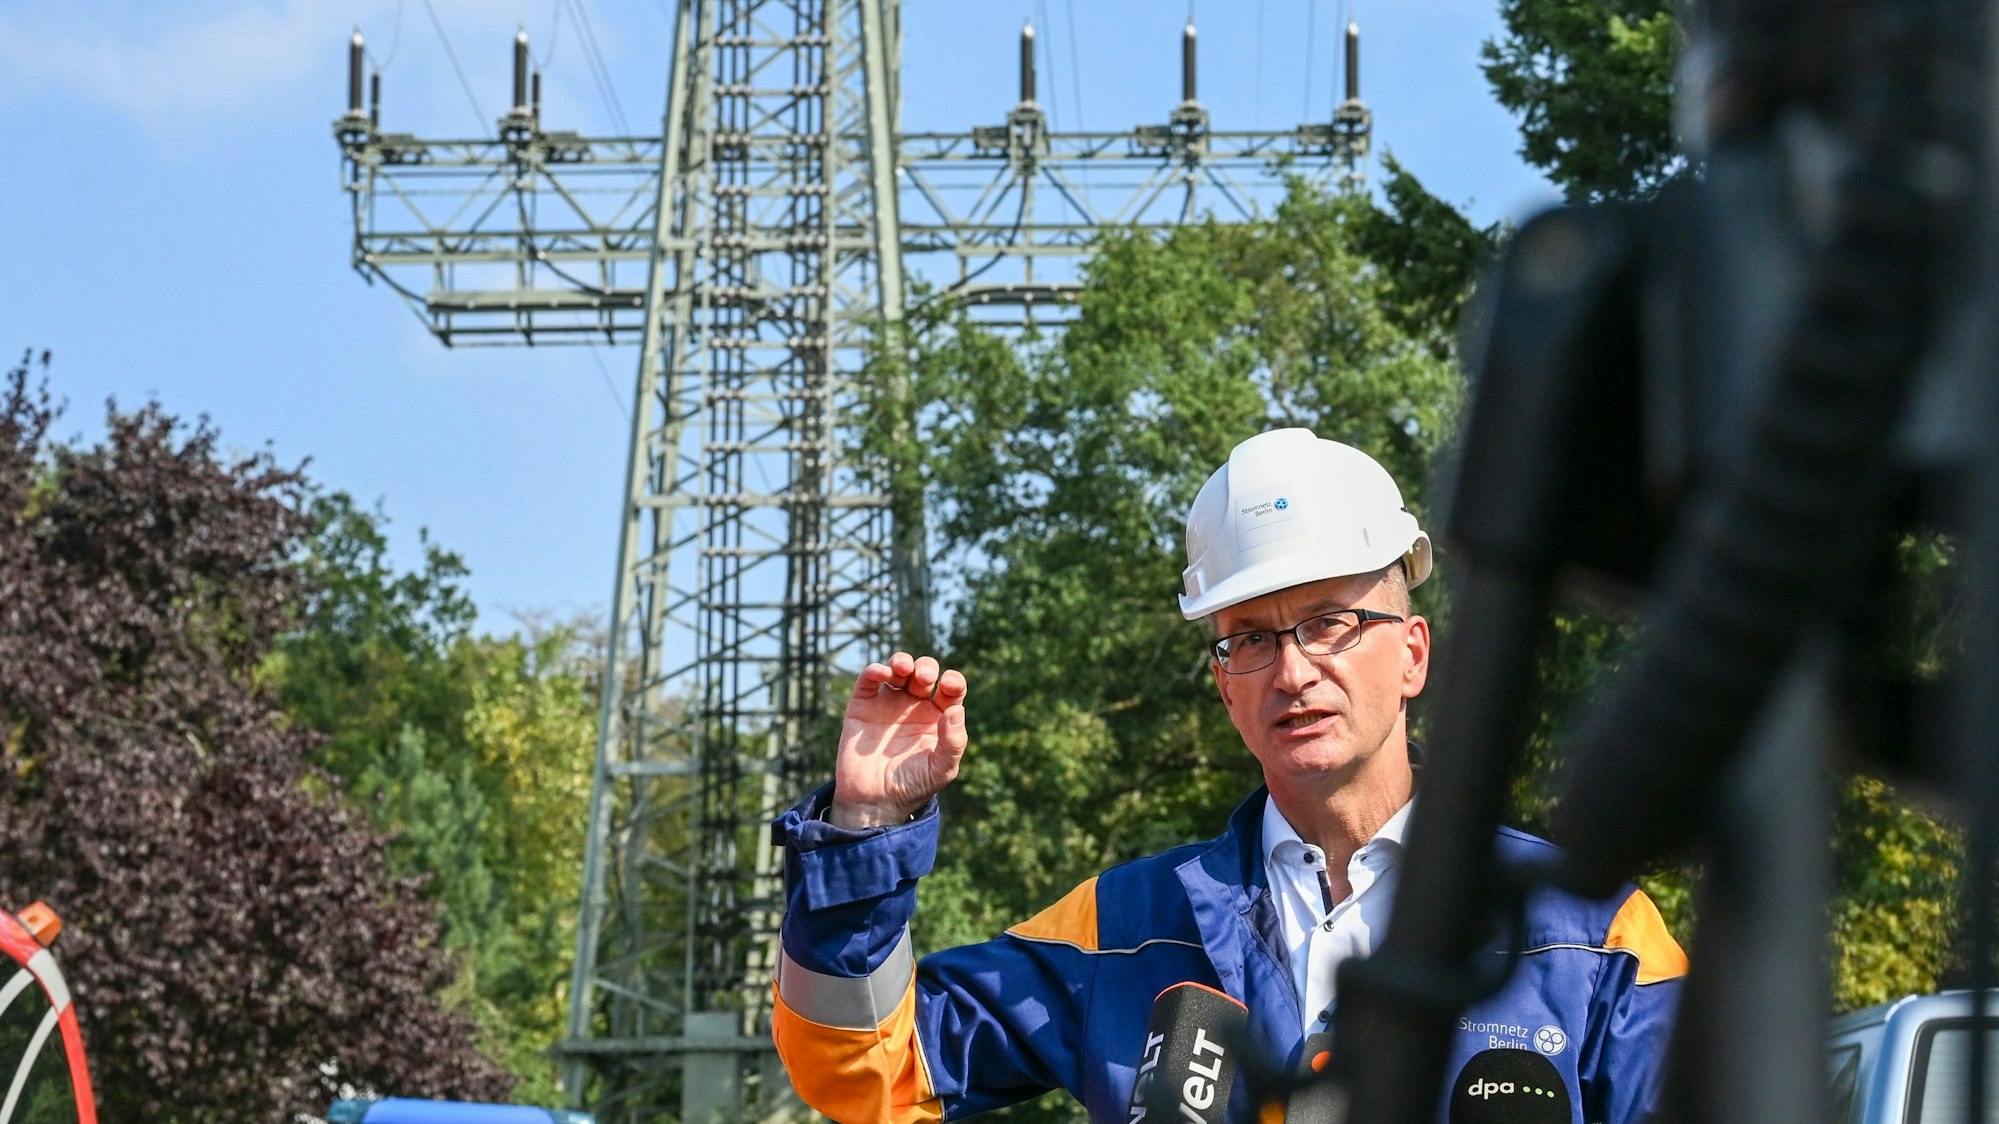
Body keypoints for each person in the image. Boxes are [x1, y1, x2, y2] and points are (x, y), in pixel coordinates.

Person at [769, 428, 1685, 1123]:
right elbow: (866, 1073)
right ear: (1223, 684)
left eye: (1330, 622)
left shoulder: (1589, 934)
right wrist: (864, 825)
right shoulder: (1120, 931)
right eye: (1248, 637)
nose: (1290, 672)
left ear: (1411, 655)